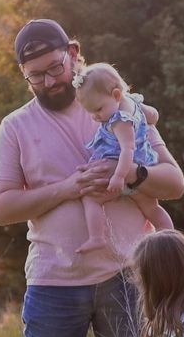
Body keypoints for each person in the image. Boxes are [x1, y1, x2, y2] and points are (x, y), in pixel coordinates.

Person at [0, 18, 184, 337]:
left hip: (128, 276)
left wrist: (132, 177)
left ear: (74, 53)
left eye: (55, 68)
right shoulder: (15, 127)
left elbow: (175, 182)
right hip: (53, 282)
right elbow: (2, 207)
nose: (47, 82)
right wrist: (69, 187)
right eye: (34, 76)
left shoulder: (117, 103)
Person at [74, 62, 173, 251]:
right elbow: (153, 115)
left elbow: (127, 149)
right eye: (90, 112)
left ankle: (97, 237)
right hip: (144, 167)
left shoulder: (119, 121)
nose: (95, 117)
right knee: (151, 208)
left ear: (116, 95)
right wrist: (147, 116)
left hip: (120, 169)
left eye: (98, 110)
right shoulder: (134, 103)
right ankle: (169, 233)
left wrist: (118, 177)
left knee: (91, 199)